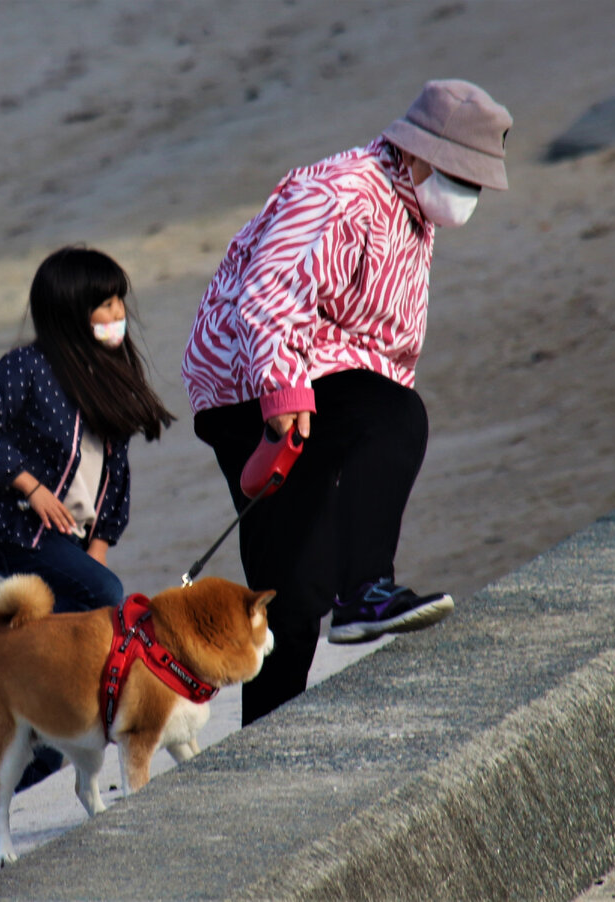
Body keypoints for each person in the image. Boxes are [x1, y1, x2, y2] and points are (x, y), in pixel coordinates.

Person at [181, 80, 513, 726]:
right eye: (461, 178)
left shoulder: (409, 211)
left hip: (315, 377)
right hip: (253, 382)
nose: (467, 196)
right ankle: (365, 591)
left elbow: (381, 344)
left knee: (293, 588)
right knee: (394, 418)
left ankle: (266, 743)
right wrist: (283, 388)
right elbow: (270, 292)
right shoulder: (342, 193)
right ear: (419, 156)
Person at [0, 246, 175, 782]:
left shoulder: (112, 369)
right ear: (69, 313)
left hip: (73, 538)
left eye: (119, 301)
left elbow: (115, 472)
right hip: (15, 527)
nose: (117, 313)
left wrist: (98, 545)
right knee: (107, 597)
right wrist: (30, 488)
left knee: (82, 627)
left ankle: (43, 750)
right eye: (103, 304)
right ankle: (77, 730)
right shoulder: (26, 368)